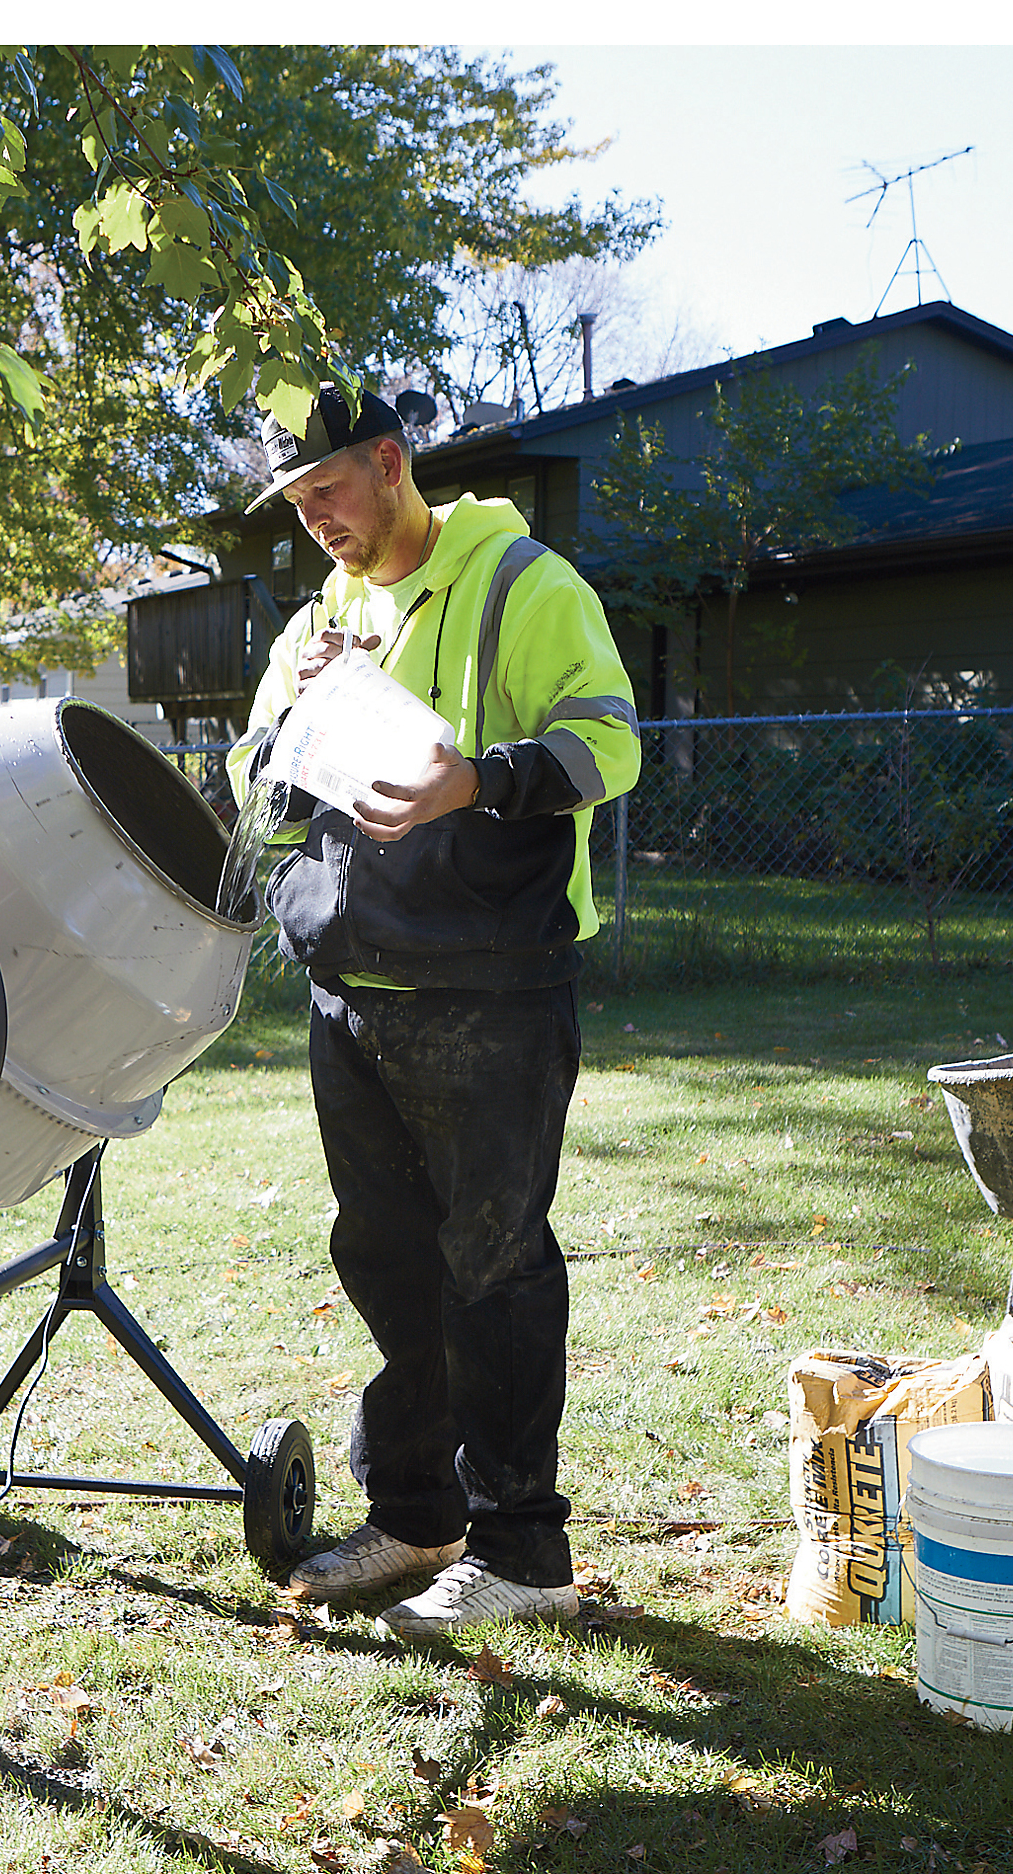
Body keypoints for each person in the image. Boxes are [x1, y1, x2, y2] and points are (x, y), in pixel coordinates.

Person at [228, 385, 641, 1640]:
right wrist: (287, 715)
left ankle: (520, 1548)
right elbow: (254, 787)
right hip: (351, 992)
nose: (317, 526)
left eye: (328, 492)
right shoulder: (314, 620)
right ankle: (416, 1516)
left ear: (391, 462)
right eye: (296, 507)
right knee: (387, 1260)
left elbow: (610, 745)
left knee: (493, 1263)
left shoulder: (522, 582)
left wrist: (476, 778)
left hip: (491, 993)